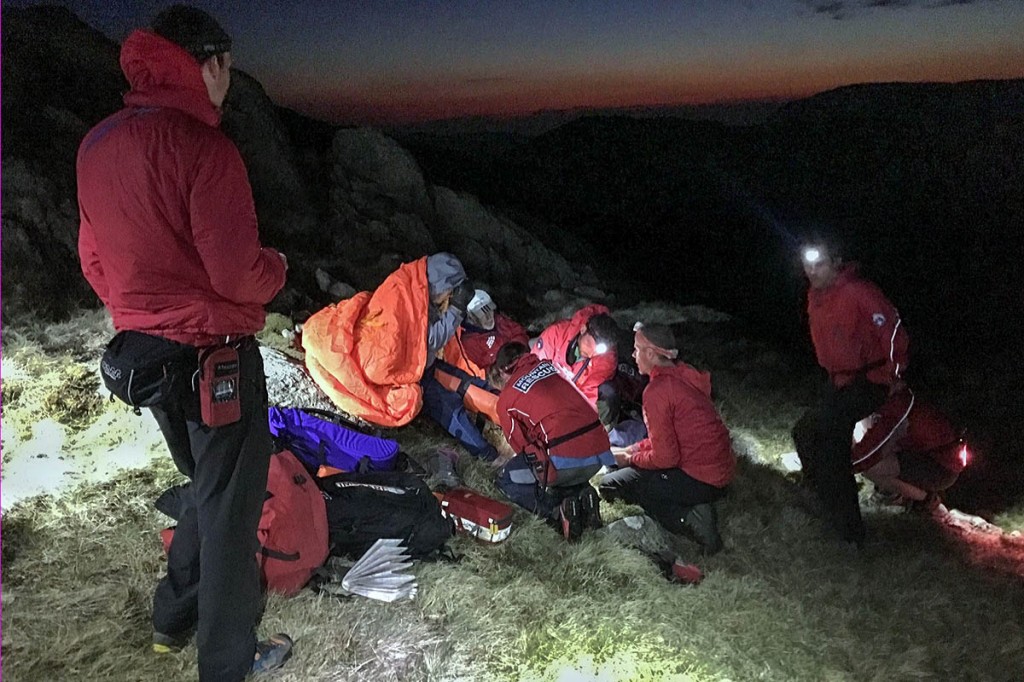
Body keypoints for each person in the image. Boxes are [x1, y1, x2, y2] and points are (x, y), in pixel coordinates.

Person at [76, 5, 291, 679]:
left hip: (145, 356)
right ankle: (227, 663)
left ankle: (171, 620)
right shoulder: (205, 147)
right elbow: (236, 272)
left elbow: (92, 258)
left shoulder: (97, 143)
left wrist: (139, 312)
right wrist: (278, 271)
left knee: (206, 487)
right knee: (231, 512)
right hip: (214, 357)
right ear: (212, 64)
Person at [791, 241, 909, 546]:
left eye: (821, 264)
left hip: (870, 379)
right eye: (809, 265)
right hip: (839, 381)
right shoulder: (815, 296)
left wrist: (894, 373)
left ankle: (850, 534)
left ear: (837, 263)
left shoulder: (859, 292)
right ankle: (822, 494)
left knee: (831, 443)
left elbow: (893, 332)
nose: (813, 271)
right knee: (805, 431)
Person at [599, 322, 735, 555]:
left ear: (650, 353)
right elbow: (665, 437)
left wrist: (631, 460)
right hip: (718, 469)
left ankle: (694, 520)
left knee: (612, 485)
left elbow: (666, 457)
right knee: (620, 472)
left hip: (701, 477)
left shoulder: (658, 391)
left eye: (637, 349)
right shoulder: (683, 374)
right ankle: (692, 500)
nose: (633, 355)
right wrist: (632, 450)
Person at [302, 252, 474, 427]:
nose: (449, 298)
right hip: (375, 355)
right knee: (421, 398)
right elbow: (423, 342)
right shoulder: (411, 294)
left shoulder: (410, 280)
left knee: (455, 380)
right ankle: (484, 450)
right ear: (442, 285)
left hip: (374, 342)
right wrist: (456, 310)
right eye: (450, 293)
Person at [490, 342, 615, 541]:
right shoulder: (553, 368)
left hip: (565, 462)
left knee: (508, 479)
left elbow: (521, 446)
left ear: (504, 371)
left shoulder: (507, 398)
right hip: (599, 453)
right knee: (562, 455)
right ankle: (584, 496)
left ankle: (557, 512)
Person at [531, 304, 621, 428]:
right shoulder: (557, 334)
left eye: (598, 350)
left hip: (571, 396)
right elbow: (533, 368)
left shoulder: (606, 361)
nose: (592, 352)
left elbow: (587, 396)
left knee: (607, 393)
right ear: (583, 330)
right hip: (547, 387)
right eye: (589, 343)